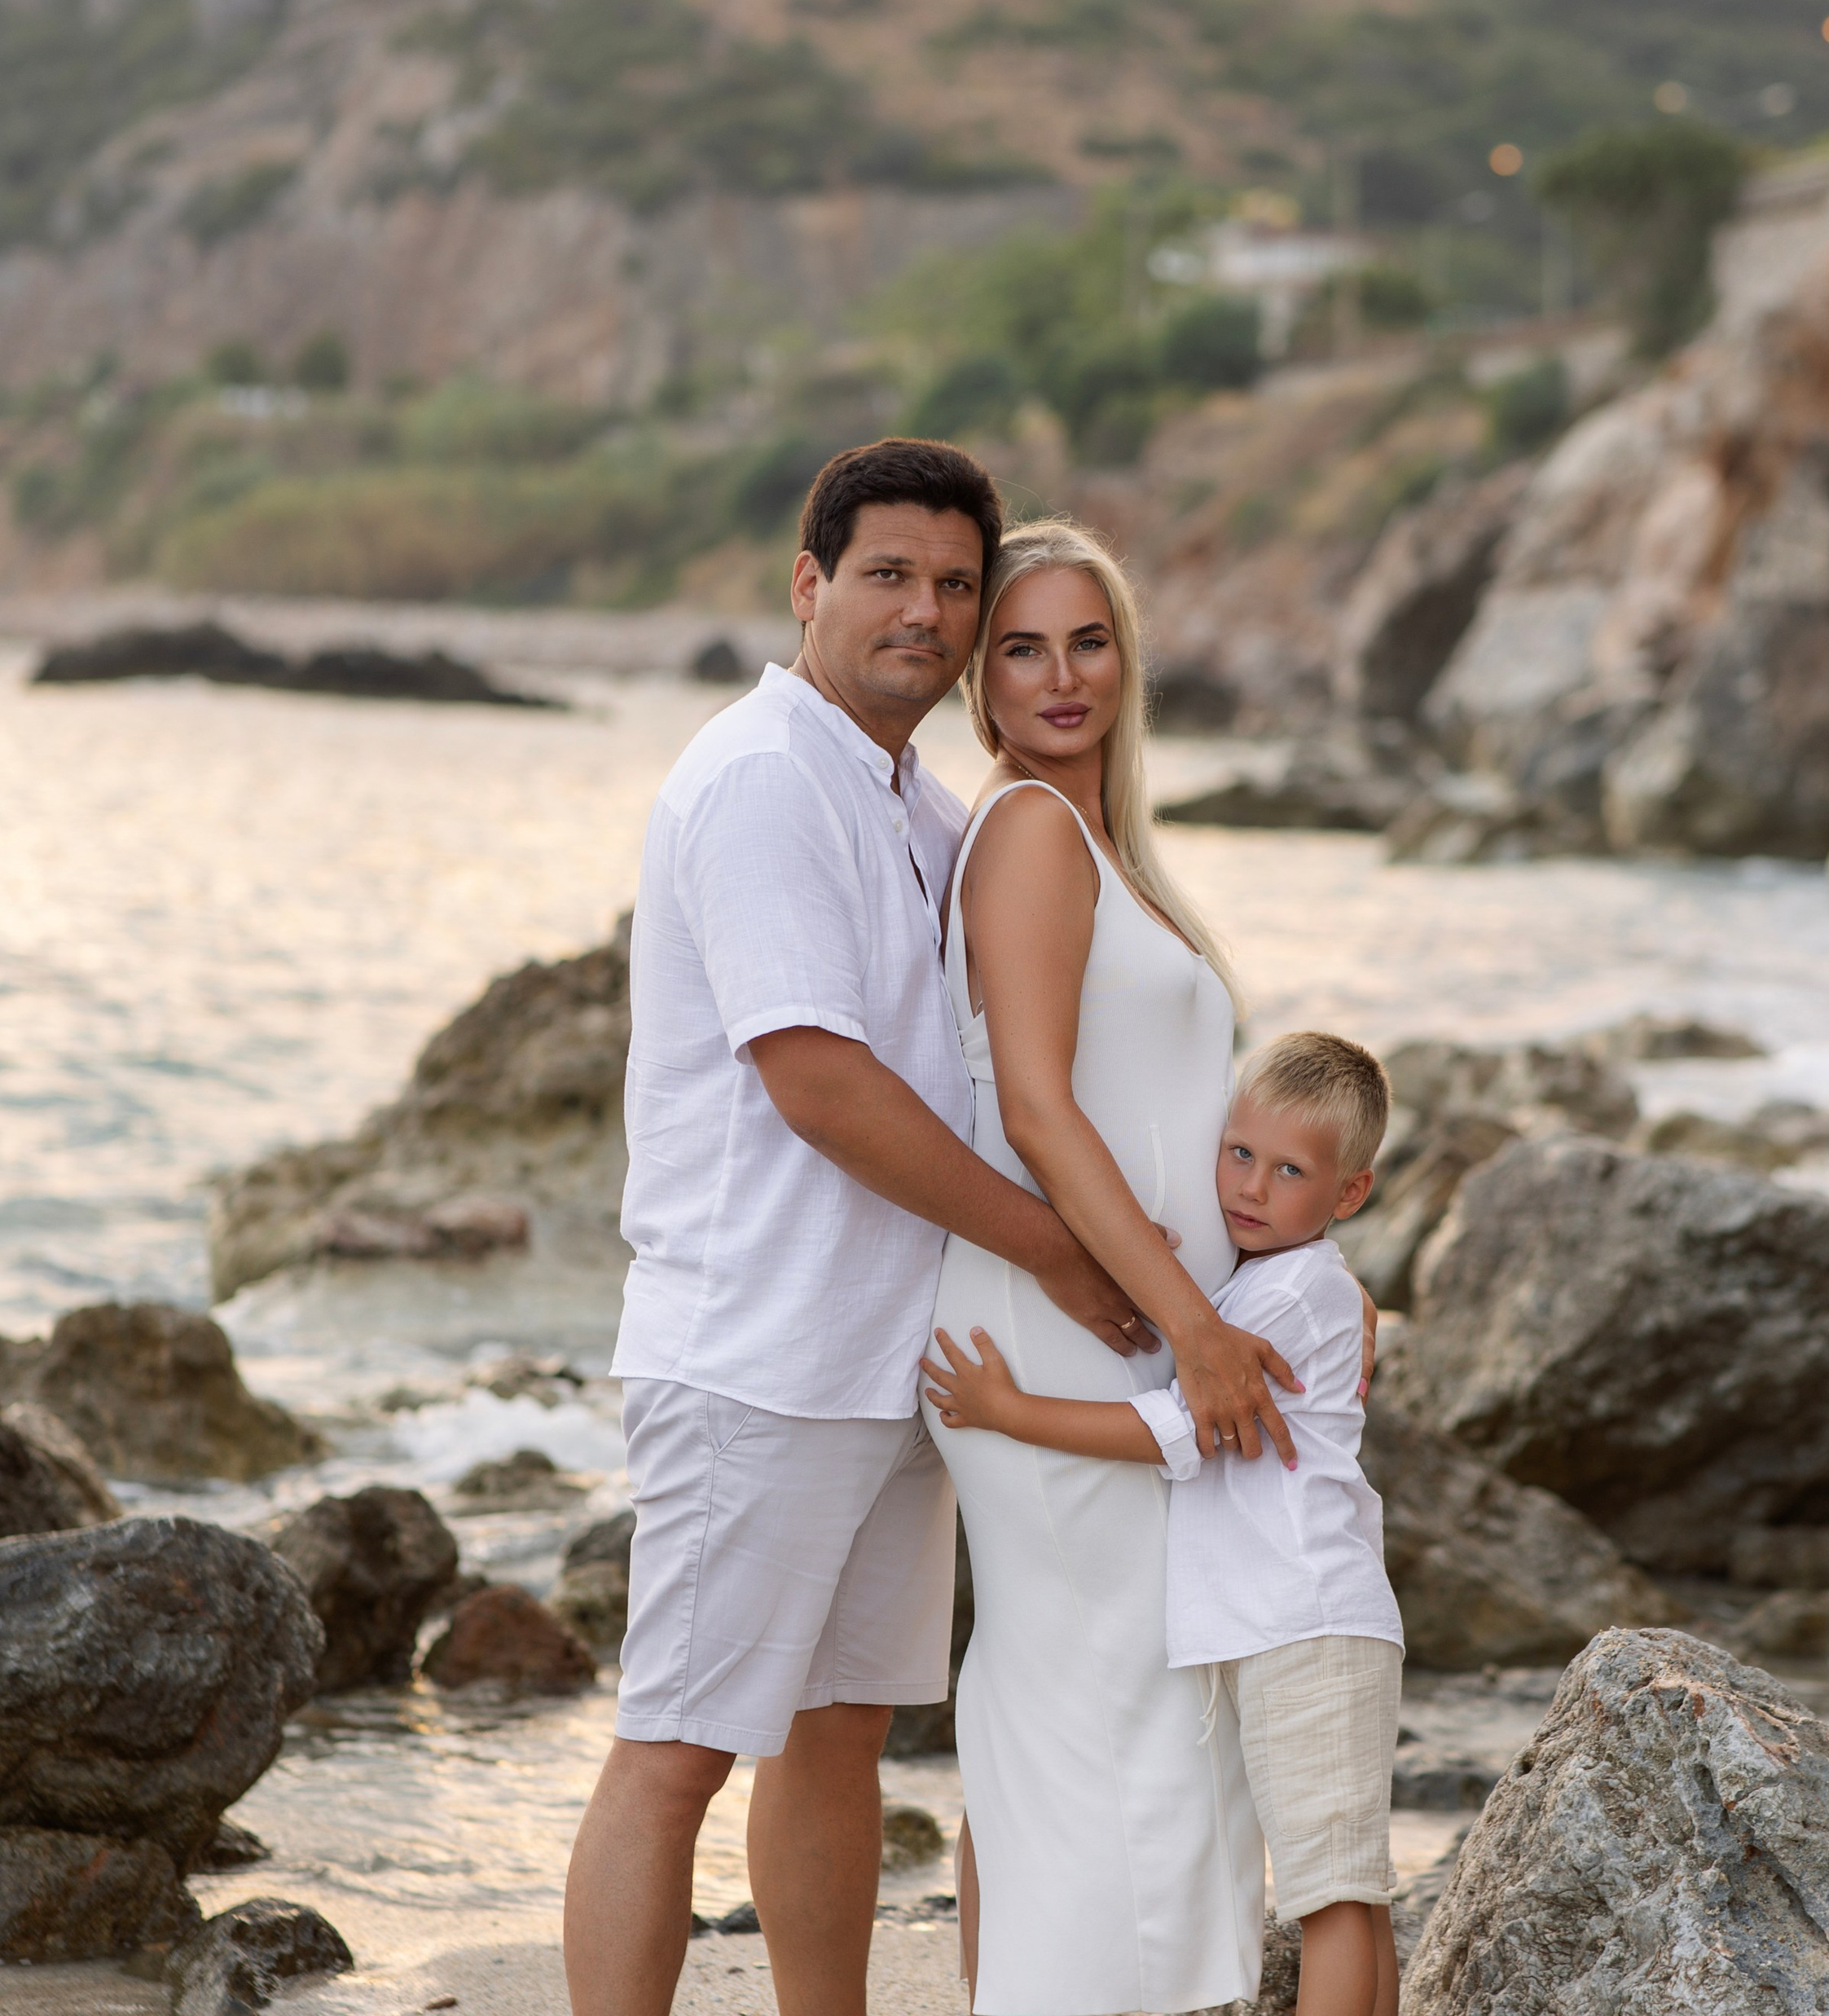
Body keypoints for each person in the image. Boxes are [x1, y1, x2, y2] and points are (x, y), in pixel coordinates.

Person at [562, 447, 1293, 2016]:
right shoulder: (764, 775)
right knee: (678, 1745)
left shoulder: (913, 798)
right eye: (891, 576)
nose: (930, 611)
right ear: (810, 584)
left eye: (956, 586)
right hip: (757, 1348)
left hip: (897, 1356)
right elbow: (819, 1082)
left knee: (838, 1735)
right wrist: (1052, 1245)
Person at [923, 519, 1312, 2016]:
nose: (1062, 674)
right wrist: (1193, 1323)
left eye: (1089, 641)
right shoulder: (1025, 831)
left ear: (1126, 662)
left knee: (1109, 1710)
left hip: (1127, 1326)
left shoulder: (1102, 852)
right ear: (985, 683)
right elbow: (1033, 1107)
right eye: (1022, 646)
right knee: (1104, 1712)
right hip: (1075, 1324)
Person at [925, 1030, 1405, 2016]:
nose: (1251, 1188)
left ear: (1347, 1195)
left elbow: (1178, 1428)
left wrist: (1013, 1413)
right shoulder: (1276, 1281)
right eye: (1238, 1153)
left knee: (1332, 1895)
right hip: (1287, 1619)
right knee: (1338, 1886)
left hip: (1306, 1618)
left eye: (1289, 1171)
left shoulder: (1296, 1288)